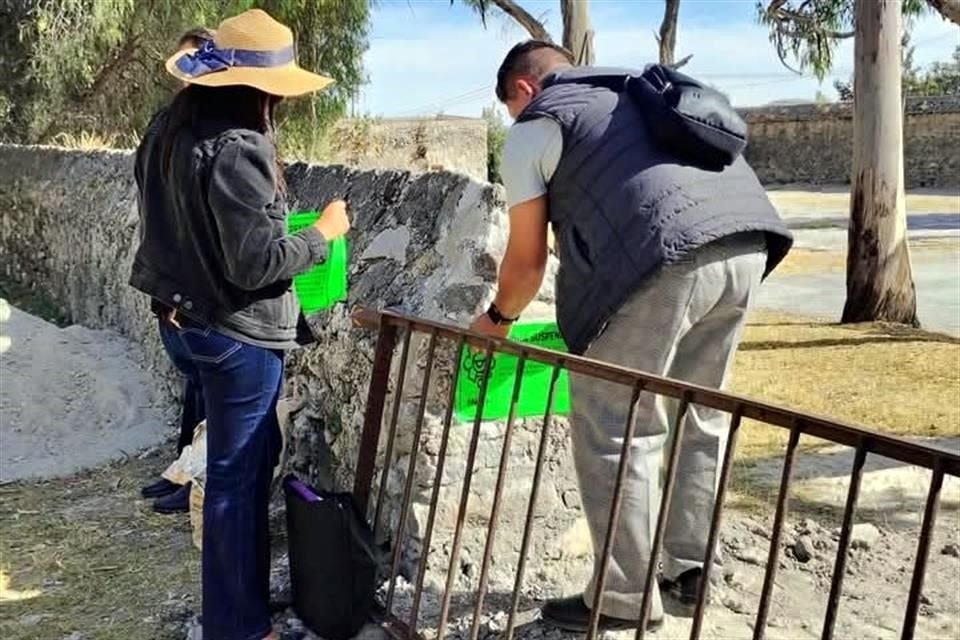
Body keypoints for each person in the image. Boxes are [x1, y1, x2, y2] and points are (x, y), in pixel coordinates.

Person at [470, 41, 792, 633]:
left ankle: (621, 599)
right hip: (748, 243)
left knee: (617, 428)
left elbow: (526, 261)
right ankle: (688, 571)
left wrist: (498, 319)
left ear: (522, 90)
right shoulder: (639, 88)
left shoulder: (539, 123)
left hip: (658, 260)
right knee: (702, 413)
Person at [129, 9, 350, 640]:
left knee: (233, 472)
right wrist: (323, 234)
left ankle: (237, 612)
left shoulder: (167, 129)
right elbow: (257, 263)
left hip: (183, 320)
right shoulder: (241, 147)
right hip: (236, 334)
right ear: (264, 90)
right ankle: (239, 625)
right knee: (239, 478)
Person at [137, 26, 217, 515]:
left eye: (199, 63)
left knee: (208, 386)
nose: (189, 73)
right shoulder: (167, 124)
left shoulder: (211, 130)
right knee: (197, 384)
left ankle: (193, 481)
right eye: (183, 64)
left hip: (194, 286)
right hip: (168, 279)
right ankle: (183, 472)